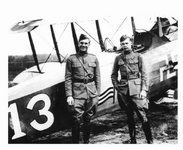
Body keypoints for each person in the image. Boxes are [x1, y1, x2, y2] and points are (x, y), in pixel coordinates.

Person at [111, 35, 153, 144]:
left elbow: (144, 74)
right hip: (124, 91)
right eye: (122, 44)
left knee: (142, 115)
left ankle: (150, 141)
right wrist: (118, 87)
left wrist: (144, 90)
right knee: (129, 116)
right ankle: (133, 140)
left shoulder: (138, 56)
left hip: (137, 89)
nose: (124, 46)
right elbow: (113, 75)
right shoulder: (118, 58)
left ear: (131, 43)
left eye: (126, 43)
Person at [65, 34, 101, 144]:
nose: (83, 45)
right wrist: (69, 95)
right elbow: (68, 78)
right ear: (78, 44)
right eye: (82, 43)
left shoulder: (93, 58)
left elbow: (97, 76)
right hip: (77, 93)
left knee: (88, 119)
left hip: (91, 92)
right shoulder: (71, 59)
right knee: (76, 119)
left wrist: (97, 93)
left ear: (89, 44)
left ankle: (86, 142)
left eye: (86, 43)